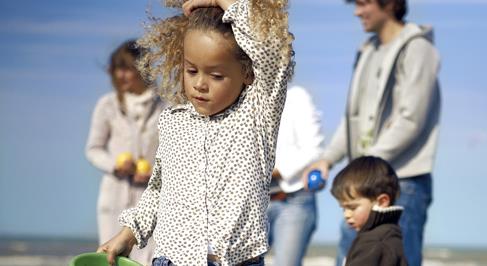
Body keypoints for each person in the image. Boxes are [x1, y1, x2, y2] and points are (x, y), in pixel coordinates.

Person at [95, 0, 294, 265]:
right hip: (172, 260)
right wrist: (129, 233)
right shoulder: (173, 122)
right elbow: (158, 191)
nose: (200, 84)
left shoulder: (257, 115)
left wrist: (220, 1)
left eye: (216, 76)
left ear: (247, 73)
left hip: (238, 260)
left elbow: (272, 50)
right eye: (192, 70)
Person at [302, 0, 441, 265]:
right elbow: (351, 119)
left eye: (363, 3)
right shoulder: (367, 51)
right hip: (361, 183)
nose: (357, 12)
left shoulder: (418, 48)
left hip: (403, 180)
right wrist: (328, 159)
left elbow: (411, 120)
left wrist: (365, 166)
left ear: (389, 4)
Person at [85, 39, 164, 265]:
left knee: (148, 259)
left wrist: (155, 174)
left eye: (127, 68)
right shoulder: (107, 105)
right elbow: (93, 149)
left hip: (151, 198)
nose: (120, 75)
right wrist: (115, 166)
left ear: (143, 69)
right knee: (113, 257)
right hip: (114, 196)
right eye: (117, 69)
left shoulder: (165, 107)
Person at [267, 85, 324, 266]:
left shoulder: (296, 97)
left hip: (293, 199)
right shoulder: (238, 98)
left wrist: (272, 171)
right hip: (251, 201)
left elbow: (313, 149)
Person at [330, 156, 406, 266]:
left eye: (352, 207)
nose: (346, 215)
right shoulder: (390, 233)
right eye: (343, 208)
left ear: (382, 202)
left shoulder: (374, 242)